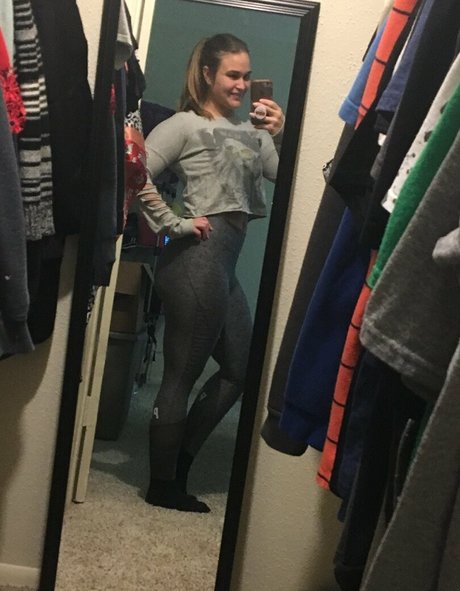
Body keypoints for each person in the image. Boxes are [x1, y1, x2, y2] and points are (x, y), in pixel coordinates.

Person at [138, 33, 285, 513]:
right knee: (182, 373)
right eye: (232, 75)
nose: (241, 84)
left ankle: (178, 466)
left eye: (247, 76)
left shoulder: (252, 133)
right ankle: (162, 486)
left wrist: (279, 131)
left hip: (223, 264)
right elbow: (135, 171)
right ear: (207, 74)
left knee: (240, 369)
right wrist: (174, 223)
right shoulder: (183, 124)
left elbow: (281, 174)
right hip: (194, 261)